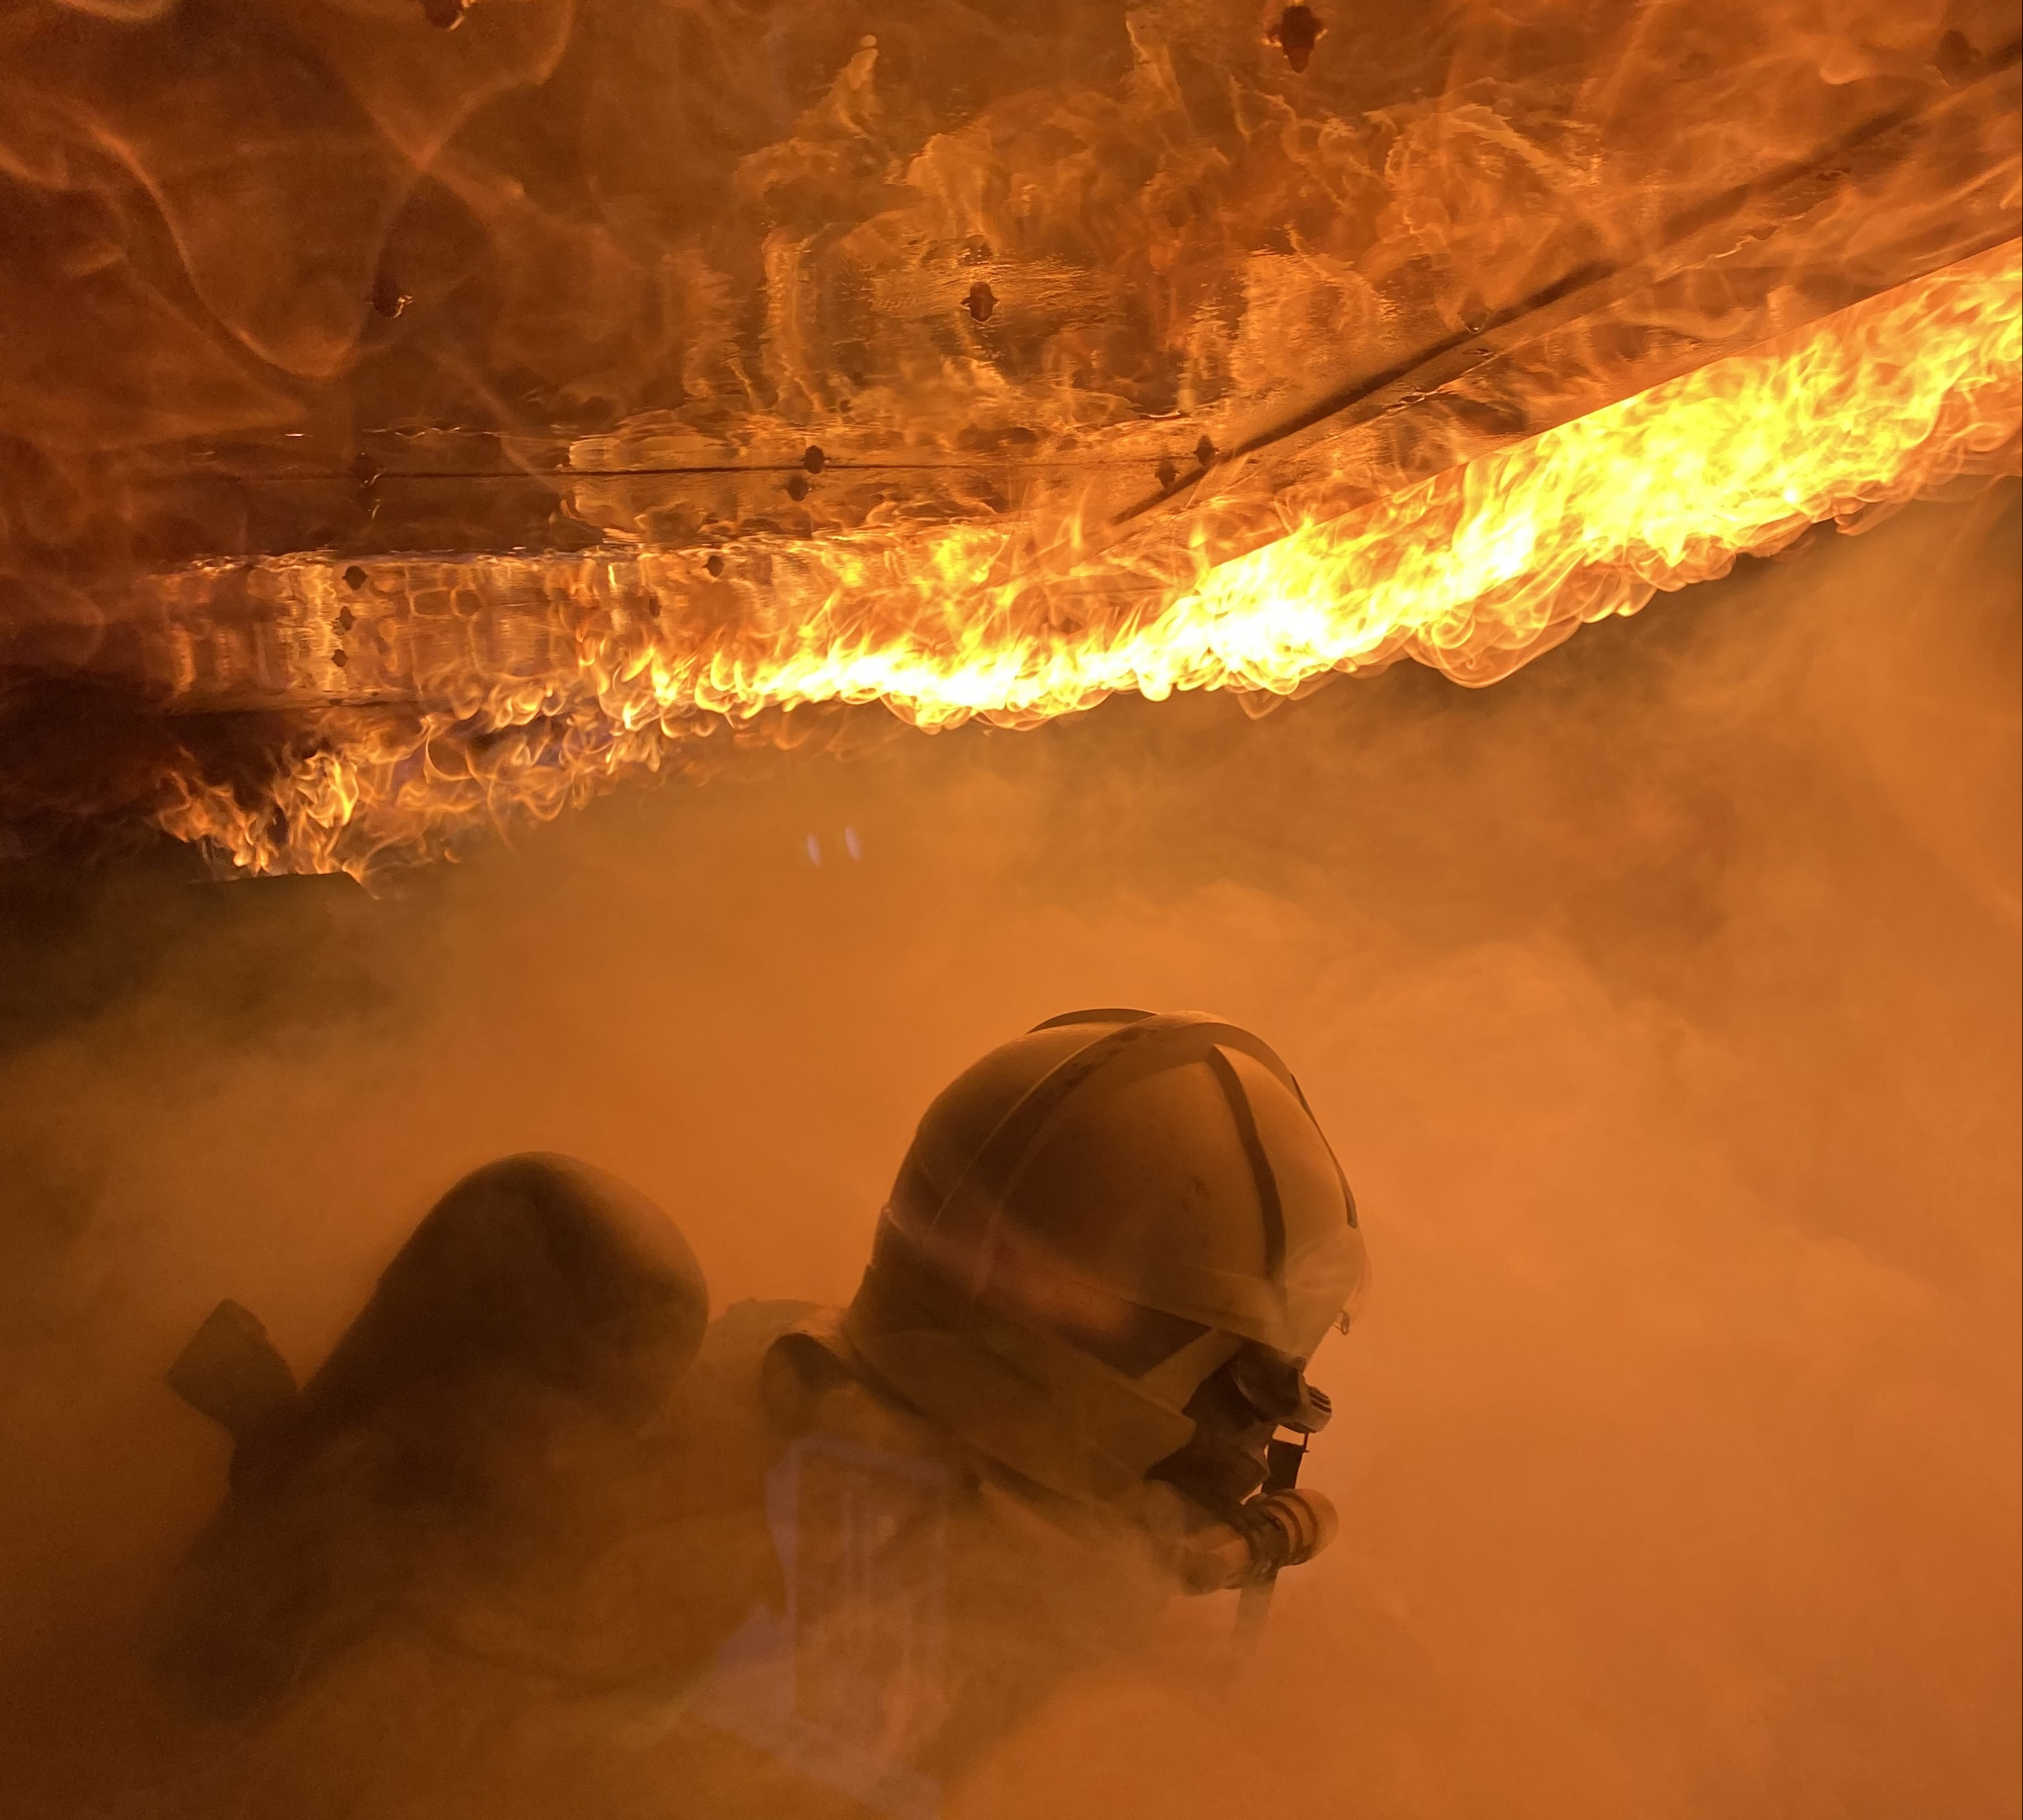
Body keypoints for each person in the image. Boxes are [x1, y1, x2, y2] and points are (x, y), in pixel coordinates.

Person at [158, 1008, 1368, 1818]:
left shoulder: (779, 1369)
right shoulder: (923, 1618)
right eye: (1243, 1385)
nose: (1243, 1445)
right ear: (1150, 1354)